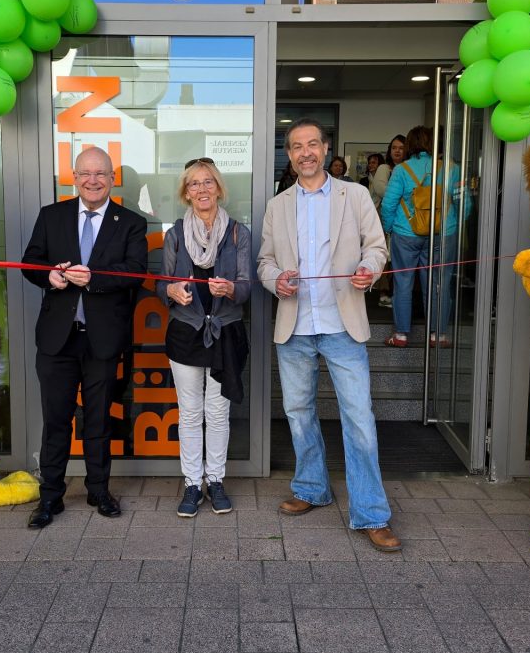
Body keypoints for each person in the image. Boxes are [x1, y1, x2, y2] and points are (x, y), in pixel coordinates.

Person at [257, 118, 400, 552]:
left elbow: (378, 247)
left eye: (312, 144)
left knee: (359, 419)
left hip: (342, 324)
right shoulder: (277, 204)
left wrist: (368, 270)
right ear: (289, 154)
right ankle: (312, 488)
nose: (305, 152)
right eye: (297, 146)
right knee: (299, 414)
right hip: (295, 326)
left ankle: (372, 513)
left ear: (325, 149)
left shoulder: (353, 195)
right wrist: (276, 279)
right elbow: (264, 261)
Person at [21, 147, 148, 528]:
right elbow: (31, 263)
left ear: (112, 179)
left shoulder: (130, 222)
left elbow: (135, 272)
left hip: (103, 339)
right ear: (73, 178)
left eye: (101, 174)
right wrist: (51, 277)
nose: (93, 180)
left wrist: (93, 278)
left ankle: (98, 490)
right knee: (56, 420)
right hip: (58, 337)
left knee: (98, 420)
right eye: (85, 174)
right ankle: (50, 497)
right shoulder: (51, 215)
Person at [156, 158, 251, 518]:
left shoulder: (238, 233)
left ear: (219, 187)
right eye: (194, 184)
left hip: (225, 332)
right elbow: (161, 285)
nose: (201, 189)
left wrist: (229, 290)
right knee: (190, 412)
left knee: (218, 411)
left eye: (208, 182)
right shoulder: (176, 234)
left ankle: (216, 480)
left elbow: (246, 288)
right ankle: (192, 483)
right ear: (186, 192)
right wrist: (172, 292)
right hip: (185, 333)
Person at [380, 125, 463, 349]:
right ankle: (439, 335)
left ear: (410, 145)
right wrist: (454, 226)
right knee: (439, 284)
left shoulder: (401, 170)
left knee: (403, 283)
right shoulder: (452, 169)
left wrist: (388, 229)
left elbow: (388, 205)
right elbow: (465, 203)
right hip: (443, 234)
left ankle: (401, 335)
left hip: (406, 234)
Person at [370, 135, 406, 308]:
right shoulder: (384, 167)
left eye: (400, 147)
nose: (397, 151)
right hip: (383, 215)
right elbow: (381, 189)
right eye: (394, 147)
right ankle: (383, 293)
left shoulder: (407, 168)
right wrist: (404, 194)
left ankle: (397, 293)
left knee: (398, 255)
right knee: (384, 254)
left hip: (403, 218)